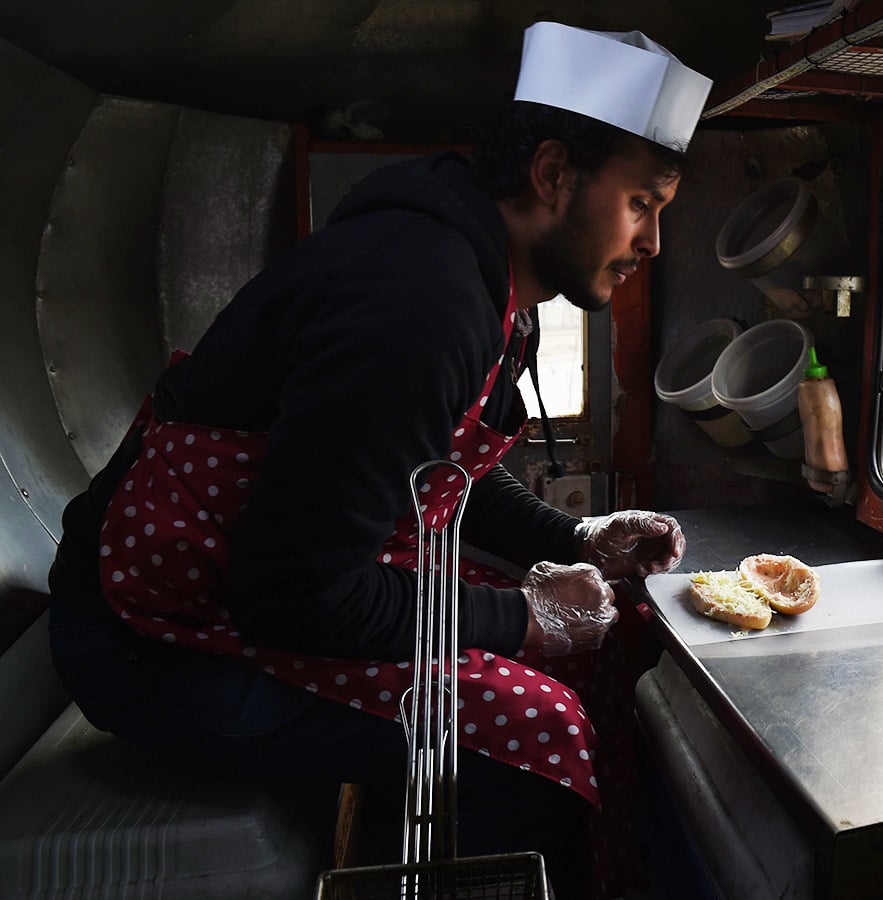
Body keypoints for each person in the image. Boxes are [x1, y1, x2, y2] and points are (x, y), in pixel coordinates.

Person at [45, 21, 710, 898]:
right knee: (535, 730)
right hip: (155, 642)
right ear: (553, 175)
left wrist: (577, 537)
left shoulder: (489, 269)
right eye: (642, 203)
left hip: (248, 597)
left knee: (583, 655)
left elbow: (435, 474)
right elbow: (294, 593)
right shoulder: (419, 304)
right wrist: (522, 617)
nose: (653, 241)